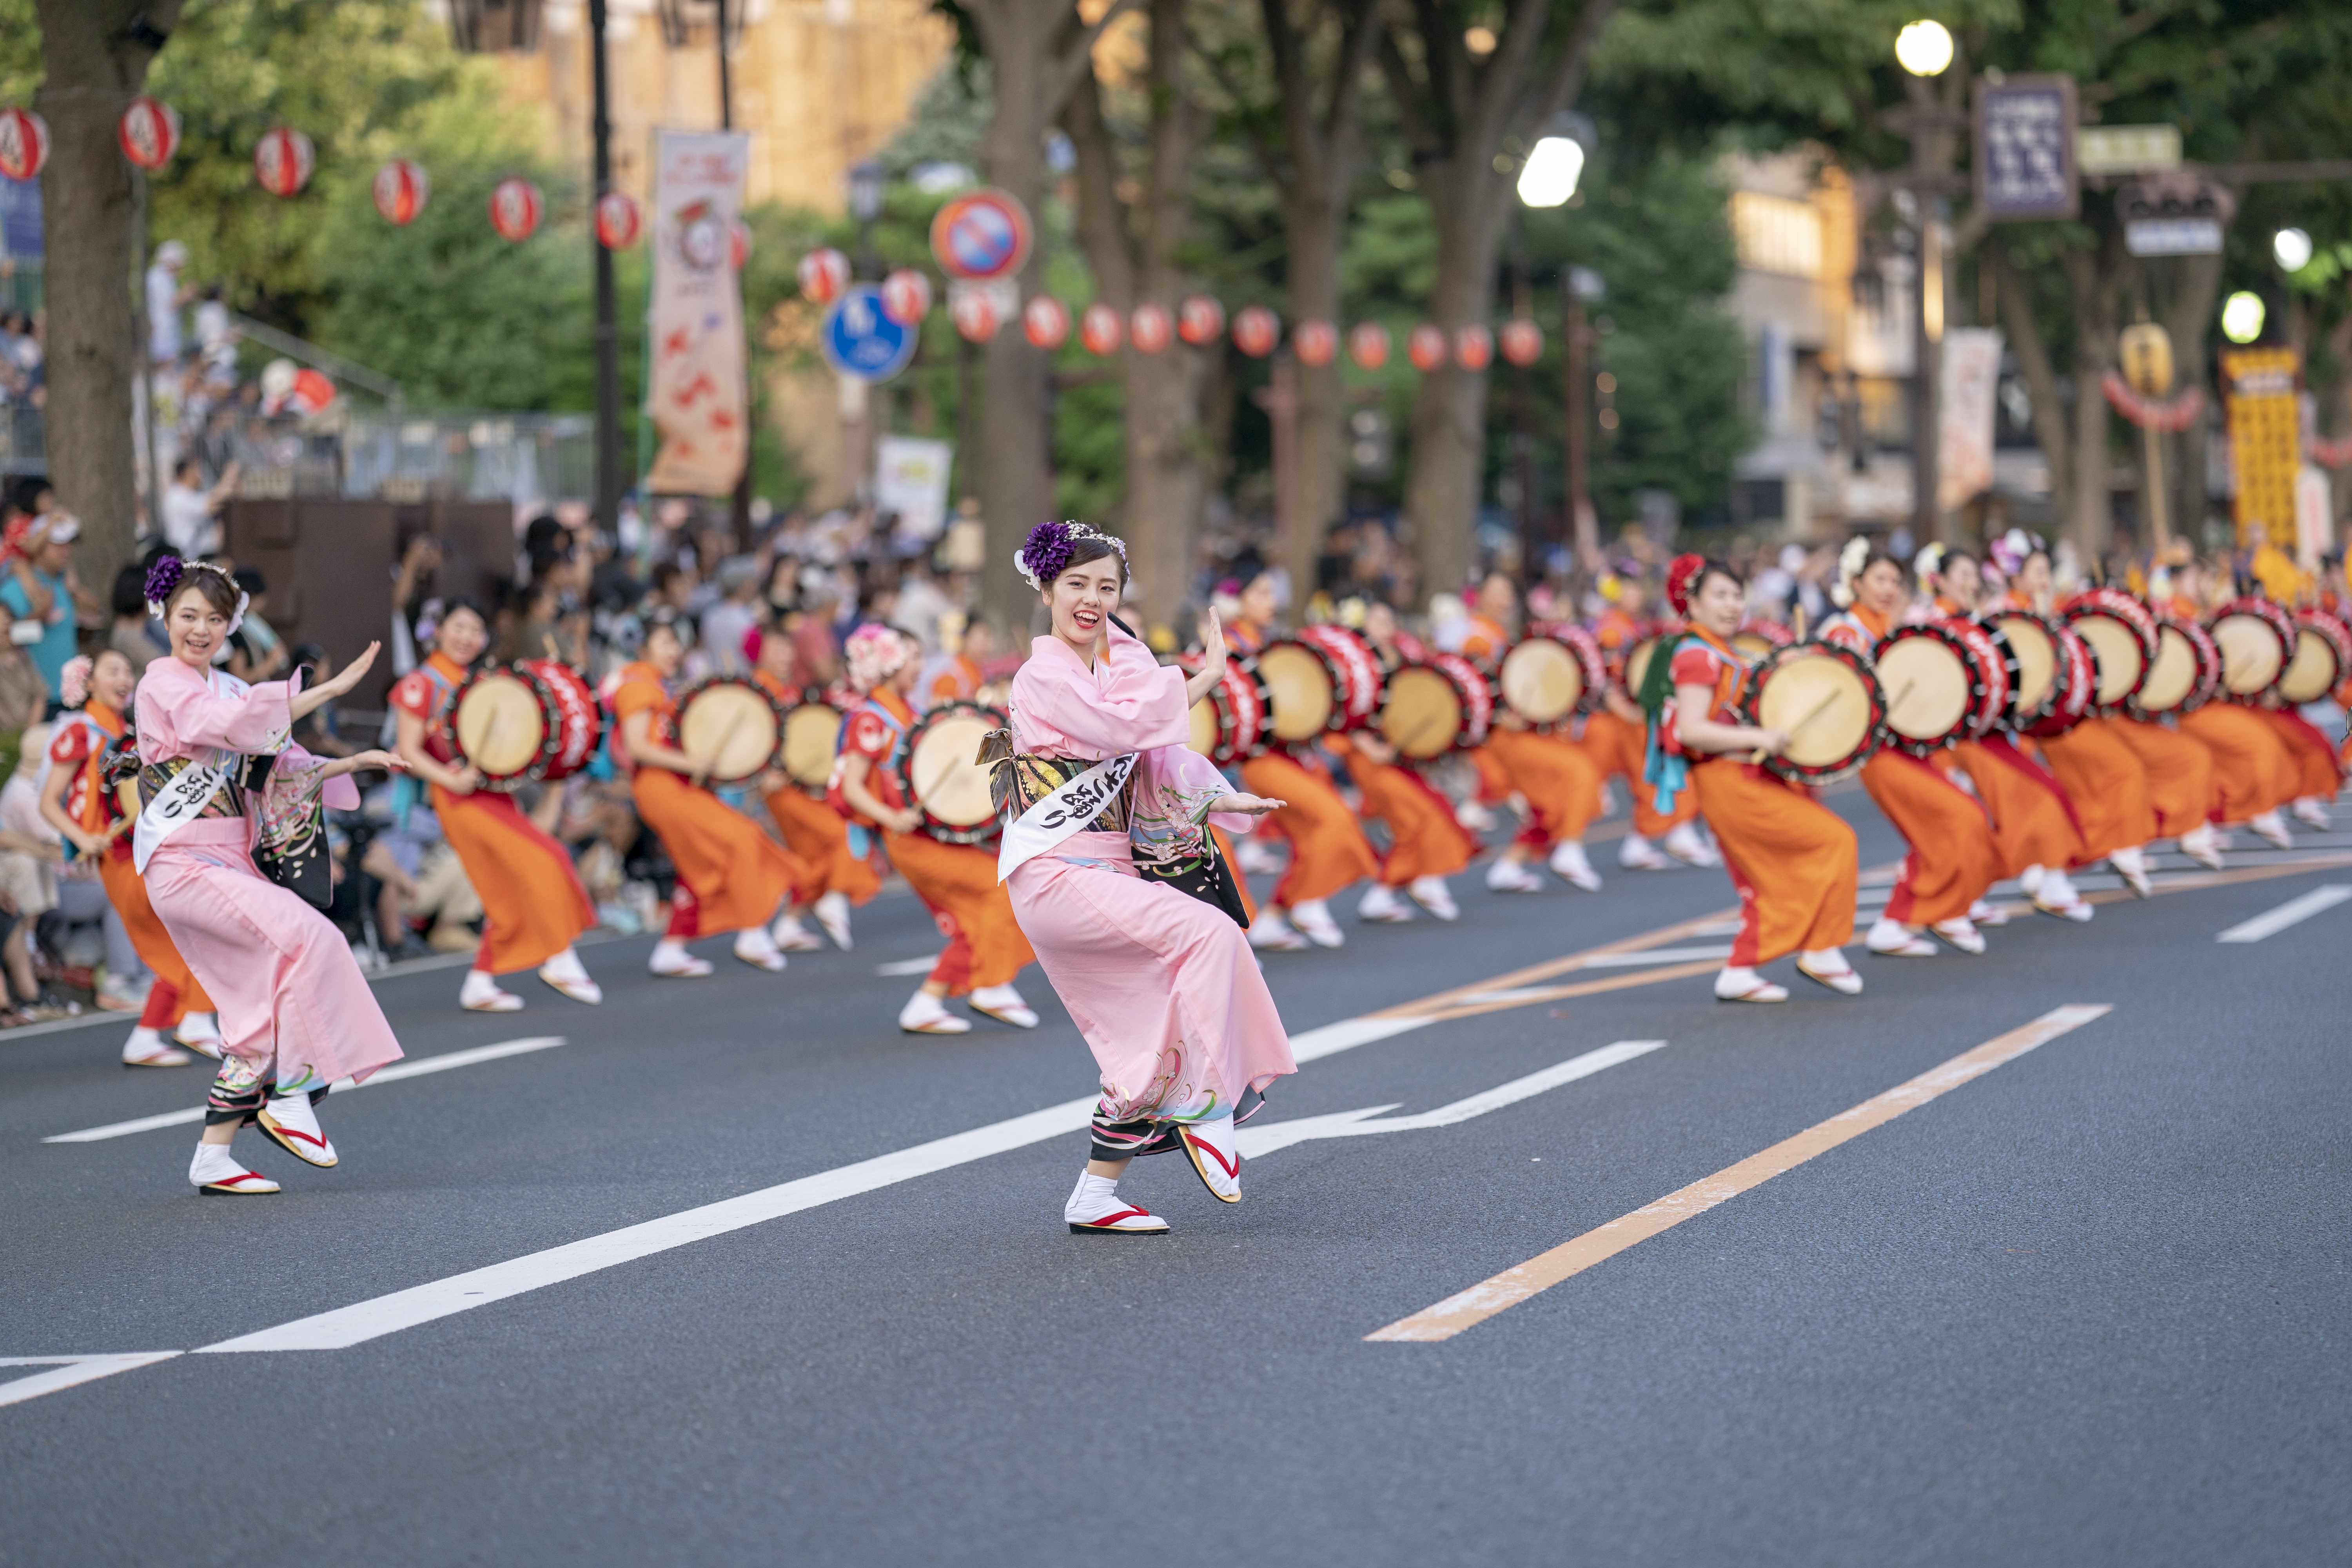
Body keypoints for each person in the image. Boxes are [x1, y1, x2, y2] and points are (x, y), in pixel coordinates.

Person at [1000, 520, 1295, 1235]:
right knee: (1209, 935)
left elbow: (1156, 761)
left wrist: (1223, 798)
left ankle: (1095, 1196)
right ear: (1045, 589)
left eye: (1107, 587)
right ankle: (1206, 1105)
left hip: (1105, 873)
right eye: (1076, 584)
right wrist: (1201, 682)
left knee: (1153, 1033)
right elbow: (1127, 730)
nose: (1092, 599)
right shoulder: (1042, 676)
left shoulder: (1110, 674)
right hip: (1059, 871)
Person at [133, 556, 408, 1195]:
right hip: (183, 861)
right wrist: (329, 692)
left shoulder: (226, 688)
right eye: (188, 616)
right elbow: (227, 729)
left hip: (226, 859)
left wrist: (355, 761)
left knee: (256, 1014)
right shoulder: (163, 684)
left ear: (232, 625)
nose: (200, 629)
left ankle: (213, 1157)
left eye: (214, 619)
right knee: (314, 941)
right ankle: (295, 1094)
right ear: (165, 618)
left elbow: (279, 763)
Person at [1648, 553, 1861, 1002]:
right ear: (1694, 604)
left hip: (1744, 774)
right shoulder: (1697, 654)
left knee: (1783, 870)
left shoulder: (1719, 651)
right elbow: (1692, 729)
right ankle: (1814, 949)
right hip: (1729, 779)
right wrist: (1761, 734)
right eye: (1719, 596)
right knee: (1832, 841)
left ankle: (1749, 965)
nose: (1731, 605)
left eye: (1736, 595)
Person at [388, 600, 603, 1011]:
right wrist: (450, 777)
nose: (467, 637)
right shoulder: (422, 682)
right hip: (457, 797)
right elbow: (408, 750)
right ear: (438, 630)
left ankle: (481, 981)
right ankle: (560, 957)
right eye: (459, 627)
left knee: (502, 889)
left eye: (476, 630)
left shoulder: (482, 680)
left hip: (491, 793)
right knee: (544, 858)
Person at [833, 623, 1040, 1034]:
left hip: (925, 834)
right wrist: (890, 816)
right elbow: (851, 787)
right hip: (907, 838)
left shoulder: (907, 711)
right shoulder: (870, 719)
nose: (919, 665)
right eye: (911, 657)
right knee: (1000, 891)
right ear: (887, 662)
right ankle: (992, 986)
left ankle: (926, 1004)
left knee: (975, 920)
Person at [38, 650, 223, 1066]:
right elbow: (48, 802)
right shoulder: (81, 732)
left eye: (128, 670)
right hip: (117, 856)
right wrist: (84, 837)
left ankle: (159, 1031)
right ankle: (189, 1021)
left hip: (139, 847)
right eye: (112, 671)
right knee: (182, 936)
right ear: (88, 683)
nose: (125, 678)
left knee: (184, 936)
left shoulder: (127, 732)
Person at [1820, 546, 2005, 956]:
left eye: (1895, 581)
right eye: (1879, 580)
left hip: (1906, 746)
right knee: (1955, 819)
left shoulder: (1895, 626)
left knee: (1955, 822)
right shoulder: (1843, 632)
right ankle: (1933, 911)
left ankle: (1906, 919)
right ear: (1856, 584)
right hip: (1878, 753)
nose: (1889, 589)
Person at [609, 611, 799, 977]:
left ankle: (671, 949)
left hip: (677, 783)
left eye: (676, 643)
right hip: (661, 787)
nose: (674, 650)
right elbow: (636, 748)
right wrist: (690, 760)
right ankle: (753, 931)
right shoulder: (638, 685)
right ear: (644, 648)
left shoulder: (660, 686)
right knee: (741, 840)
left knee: (700, 868)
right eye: (665, 642)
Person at [1223, 569, 1380, 949]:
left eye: (1272, 593)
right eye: (1260, 592)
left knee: (1314, 834)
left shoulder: (1272, 642)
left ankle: (1279, 914)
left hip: (1291, 756)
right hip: (1262, 760)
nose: (1270, 600)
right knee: (1334, 819)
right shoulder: (1229, 643)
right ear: (1238, 600)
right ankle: (1302, 902)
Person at [2001, 542, 2158, 896]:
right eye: (2037, 573)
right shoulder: (2008, 615)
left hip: (2063, 716)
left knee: (2086, 790)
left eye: (2046, 573)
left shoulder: (2047, 610)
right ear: (2017, 577)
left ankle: (2054, 864)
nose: (2045, 581)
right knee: (2122, 771)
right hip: (2040, 723)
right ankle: (2104, 851)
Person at [750, 622, 875, 950]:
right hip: (779, 789)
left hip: (798, 785)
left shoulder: (787, 688)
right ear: (758, 652)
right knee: (839, 835)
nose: (783, 655)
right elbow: (745, 744)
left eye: (787, 648)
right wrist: (760, 774)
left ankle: (789, 925)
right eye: (775, 649)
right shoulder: (756, 690)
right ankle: (832, 899)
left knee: (814, 858)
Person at [2, 511, 95, 707]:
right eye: (58, 545)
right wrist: (39, 616)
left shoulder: (62, 584)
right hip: (36, 703)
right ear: (38, 547)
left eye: (69, 544)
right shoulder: (14, 588)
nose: (66, 551)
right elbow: (7, 639)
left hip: (70, 697)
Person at [160, 457, 237, 560]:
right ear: (186, 473)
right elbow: (211, 504)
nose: (200, 475)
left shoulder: (189, 494)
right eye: (196, 470)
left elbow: (214, 502)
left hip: (201, 555)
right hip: (188, 557)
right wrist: (230, 476)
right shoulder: (177, 496)